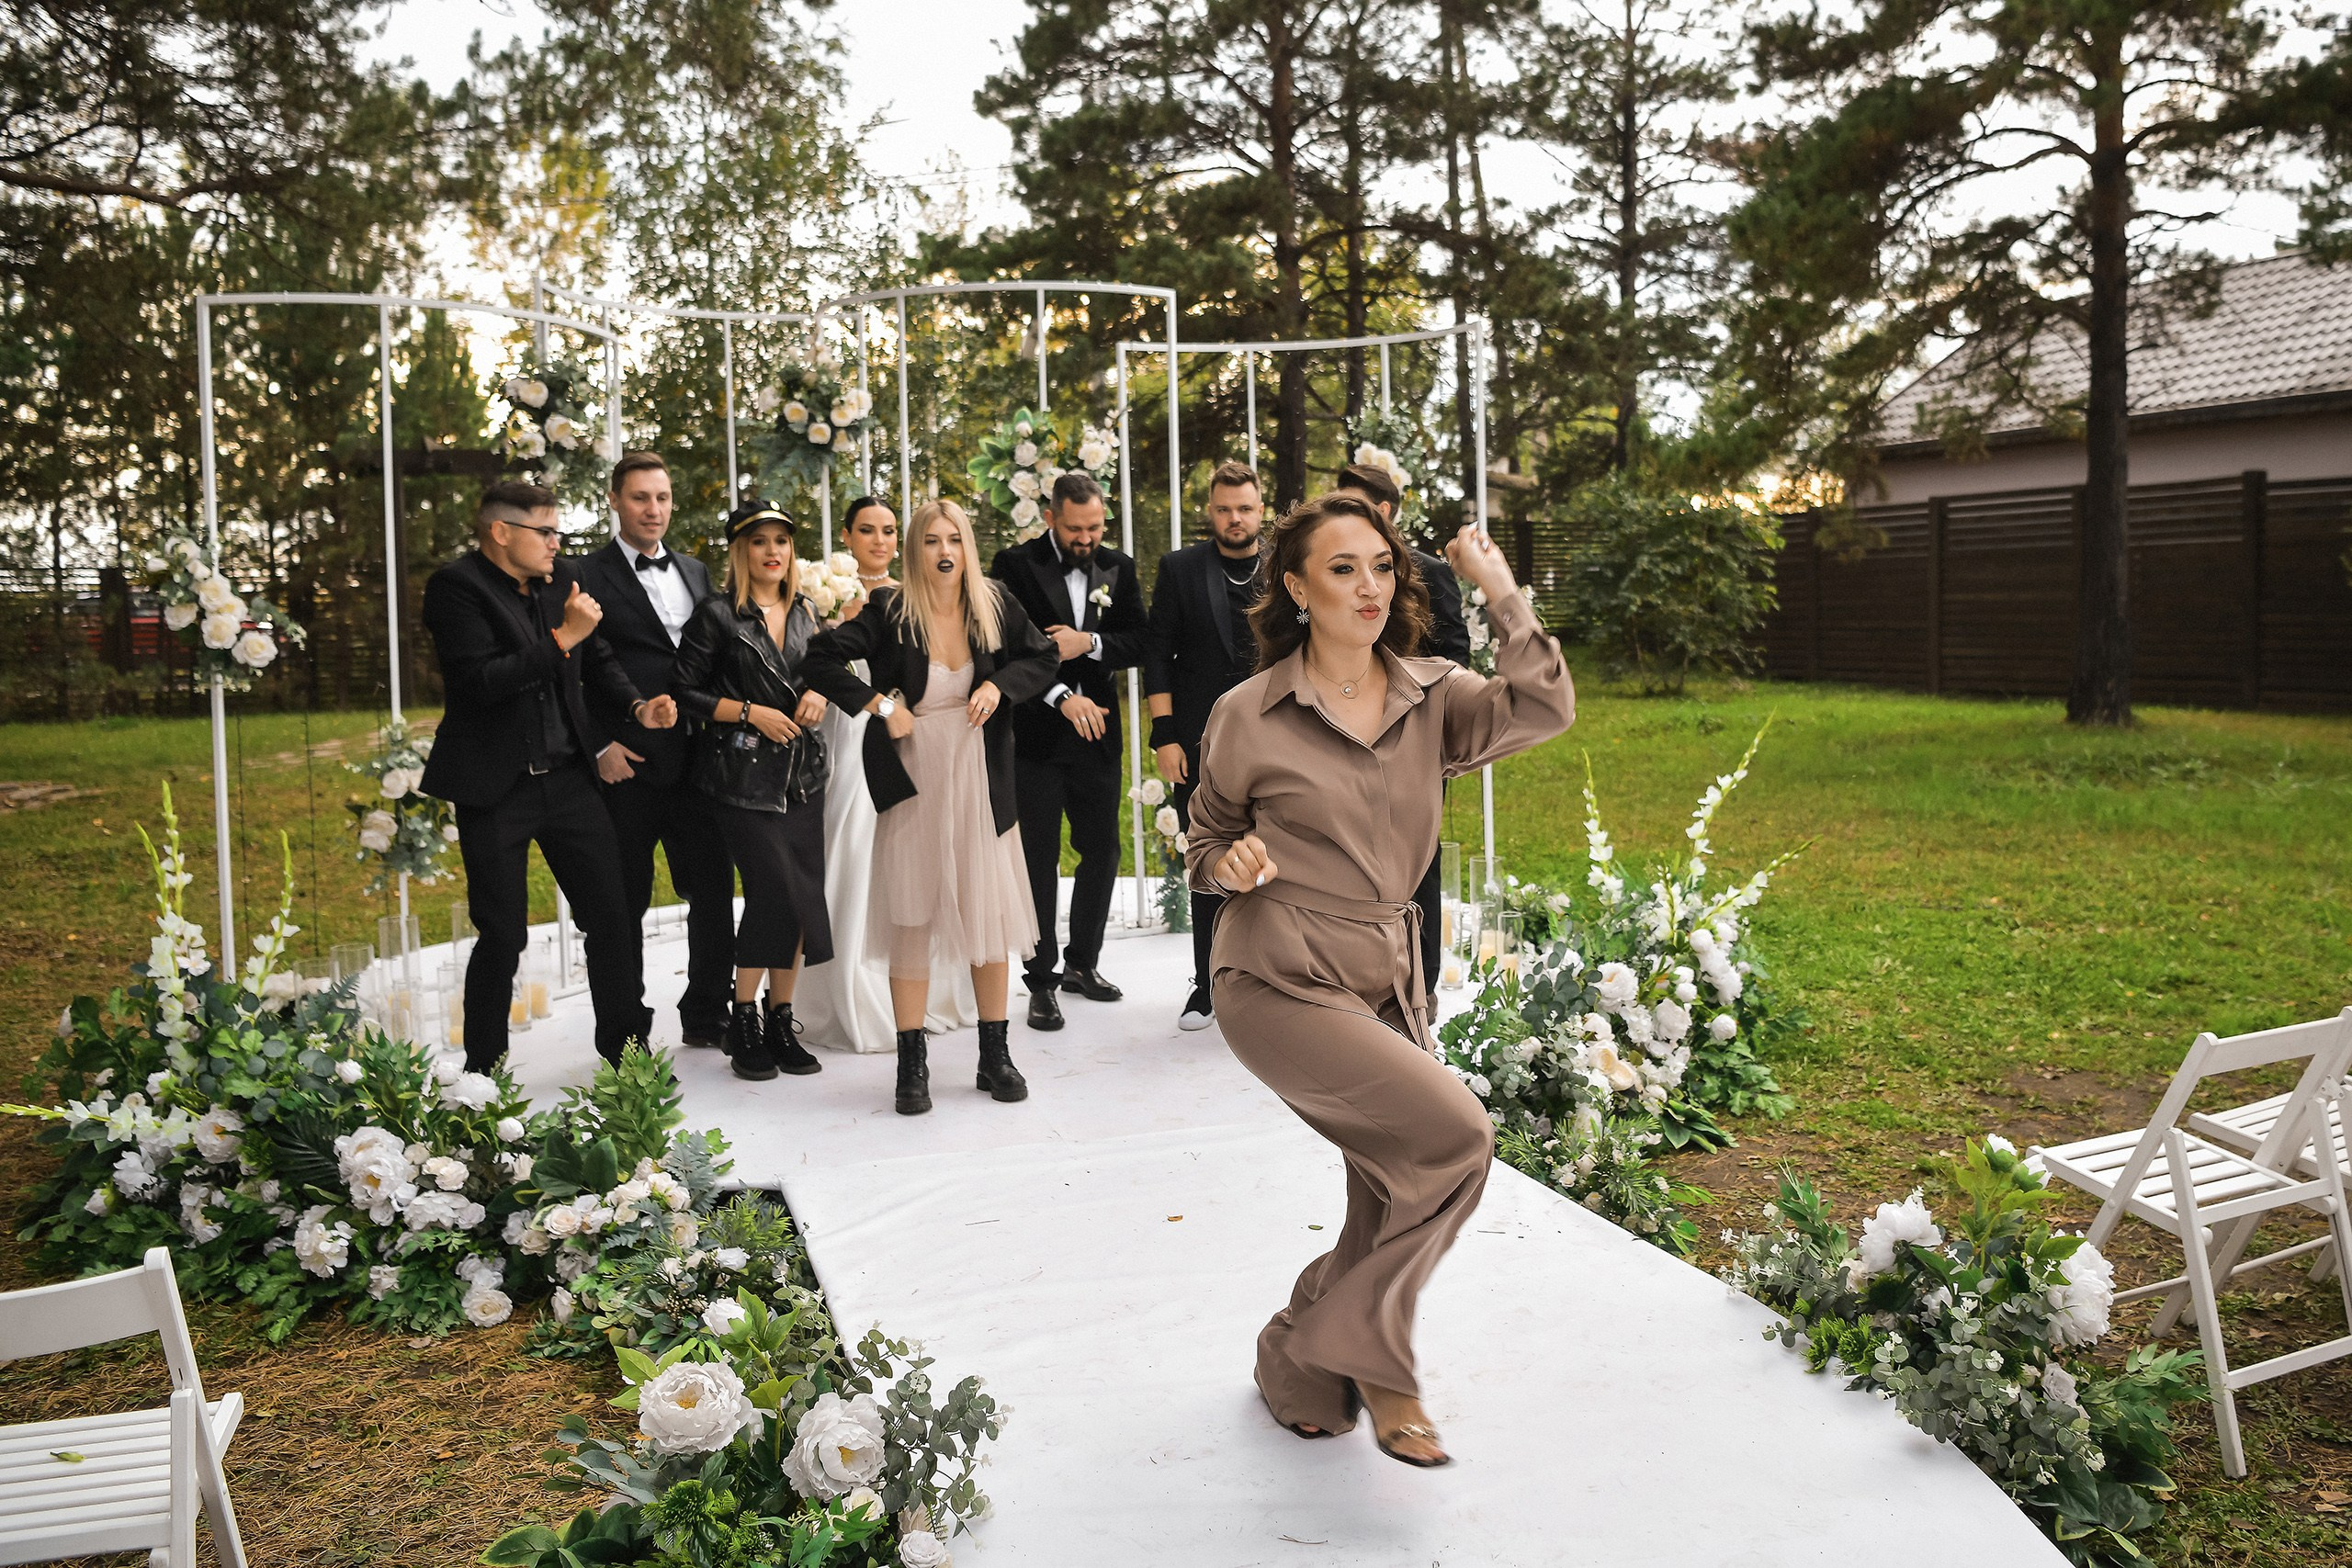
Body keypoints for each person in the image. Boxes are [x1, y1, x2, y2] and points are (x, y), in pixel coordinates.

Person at [1183, 495, 1571, 1467]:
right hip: (1274, 971)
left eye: (1383, 567)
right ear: (1296, 587)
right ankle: (1382, 1372)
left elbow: (1542, 706)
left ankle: (1297, 1361)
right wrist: (1226, 863)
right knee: (1455, 1136)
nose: (1370, 587)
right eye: (1344, 568)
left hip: (1388, 974)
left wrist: (1499, 589)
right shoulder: (1246, 711)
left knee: (1389, 1187)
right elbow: (1208, 834)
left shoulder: (1434, 693)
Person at [805, 499, 1060, 1115]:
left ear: (967, 546)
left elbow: (1044, 656)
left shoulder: (992, 602)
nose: (945, 550)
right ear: (915, 549)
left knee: (988, 914)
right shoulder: (891, 609)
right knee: (913, 915)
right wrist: (880, 705)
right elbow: (820, 658)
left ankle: (994, 1053)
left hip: (979, 773)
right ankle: (911, 1063)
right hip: (916, 773)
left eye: (955, 539)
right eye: (931, 540)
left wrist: (1000, 685)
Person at [420, 479, 674, 1069]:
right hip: (495, 785)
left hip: (568, 780)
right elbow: (481, 682)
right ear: (501, 532)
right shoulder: (455, 588)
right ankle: (483, 1071)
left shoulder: (562, 581)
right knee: (503, 933)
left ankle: (627, 1053)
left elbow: (597, 656)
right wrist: (564, 637)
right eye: (545, 531)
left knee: (612, 916)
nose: (557, 542)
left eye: (559, 529)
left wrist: (638, 706)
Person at [794, 496, 979, 1052]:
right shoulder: (822, 593)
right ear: (846, 537)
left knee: (926, 860)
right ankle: (849, 985)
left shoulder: (916, 599)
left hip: (911, 733)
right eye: (867, 530)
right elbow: (817, 661)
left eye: (890, 530)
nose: (879, 540)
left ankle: (931, 991)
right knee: (851, 849)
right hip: (858, 727)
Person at [572, 451, 735, 1050]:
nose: (654, 509)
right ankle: (624, 1031)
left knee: (713, 891)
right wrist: (598, 747)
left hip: (697, 759)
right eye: (641, 497)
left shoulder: (694, 570)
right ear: (614, 500)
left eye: (662, 497)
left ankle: (708, 1011)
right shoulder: (583, 574)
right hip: (627, 764)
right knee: (620, 904)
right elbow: (574, 668)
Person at [671, 502, 834, 1082]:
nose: (773, 552)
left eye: (782, 542)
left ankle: (778, 1016)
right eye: (760, 541)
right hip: (741, 781)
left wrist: (817, 688)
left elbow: (824, 671)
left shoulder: (808, 612)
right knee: (775, 894)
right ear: (741, 551)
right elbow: (682, 691)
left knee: (799, 899)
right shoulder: (717, 616)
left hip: (803, 780)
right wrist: (749, 713)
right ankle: (742, 1017)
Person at [987, 472, 1148, 1031]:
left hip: (1098, 733)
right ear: (1050, 518)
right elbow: (1002, 647)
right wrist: (1060, 696)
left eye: (1096, 527)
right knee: (1038, 859)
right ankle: (1040, 980)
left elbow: (1141, 641)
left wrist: (1092, 643)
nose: (1087, 539)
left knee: (1102, 850)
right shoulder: (1013, 565)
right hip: (1034, 734)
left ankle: (1083, 965)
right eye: (1076, 528)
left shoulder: (1118, 568)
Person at [1333, 460, 1474, 1004]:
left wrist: (1409, 705)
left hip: (1415, 741)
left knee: (1419, 862)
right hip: (1344, 732)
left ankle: (1423, 984)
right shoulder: (1332, 568)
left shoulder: (1429, 573)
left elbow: (1455, 654)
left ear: (1385, 511)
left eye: (1354, 504)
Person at [1142, 459, 1266, 1032]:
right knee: (1208, 857)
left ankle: (1273, 984)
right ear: (1210, 511)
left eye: (1243, 508)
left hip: (1276, 738)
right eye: (1223, 509)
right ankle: (1206, 984)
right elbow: (1156, 658)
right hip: (1197, 740)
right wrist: (1163, 736)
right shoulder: (1181, 568)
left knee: (1277, 856)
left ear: (1260, 508)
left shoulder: (1289, 567)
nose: (1234, 518)